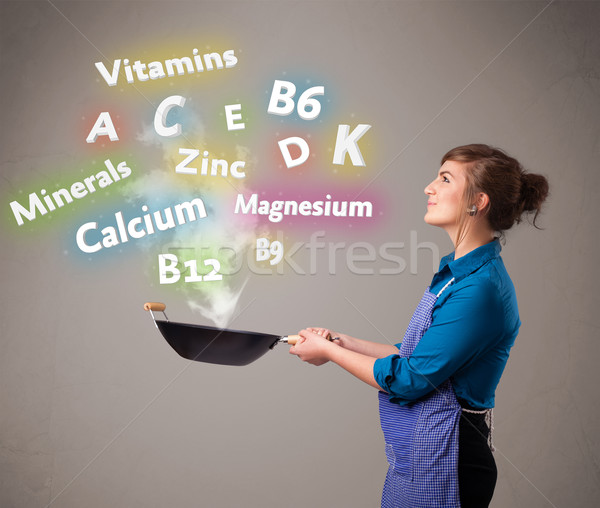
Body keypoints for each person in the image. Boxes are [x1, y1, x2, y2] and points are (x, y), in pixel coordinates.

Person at [289, 144, 549, 508]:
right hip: (420, 454)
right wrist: (342, 342)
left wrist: (329, 352)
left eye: (444, 179)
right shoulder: (454, 275)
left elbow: (412, 380)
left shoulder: (480, 289)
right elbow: (416, 358)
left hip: (448, 459)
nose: (429, 187)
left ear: (478, 201)